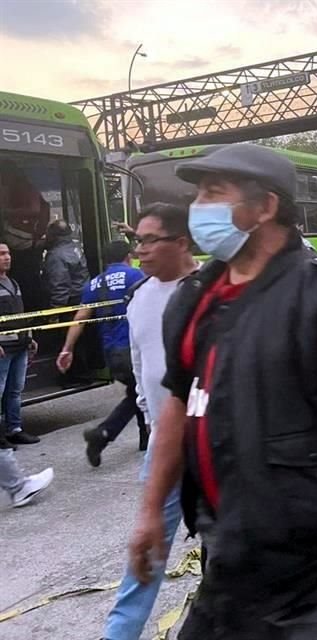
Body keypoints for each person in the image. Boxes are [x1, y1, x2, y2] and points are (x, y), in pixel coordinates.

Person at [129, 144, 317, 638]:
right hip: (230, 549)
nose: (199, 207)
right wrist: (149, 512)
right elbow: (177, 408)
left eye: (214, 193)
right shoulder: (195, 298)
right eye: (199, 193)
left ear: (265, 207)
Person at [101, 203, 199, 640]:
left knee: (238, 553)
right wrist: (154, 423)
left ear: (181, 243)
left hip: (218, 447)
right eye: (136, 241)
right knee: (145, 554)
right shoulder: (139, 298)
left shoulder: (211, 293)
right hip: (166, 448)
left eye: (148, 240)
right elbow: (143, 374)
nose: (138, 250)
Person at [57, 241, 148, 467]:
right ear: (128, 256)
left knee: (136, 391)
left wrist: (67, 348)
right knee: (141, 392)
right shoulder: (135, 275)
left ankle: (141, 439)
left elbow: (80, 318)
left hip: (111, 352)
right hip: (132, 348)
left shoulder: (94, 283)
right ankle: (103, 434)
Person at [0, 243, 39, 446]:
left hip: (20, 345)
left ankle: (14, 429)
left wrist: (29, 337)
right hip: (3, 348)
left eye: (8, 253)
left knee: (15, 390)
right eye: (1, 254)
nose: (7, 257)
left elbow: (20, 314)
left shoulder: (13, 283)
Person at [42, 219, 89, 307]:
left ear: (52, 236)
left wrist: (55, 312)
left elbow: (60, 286)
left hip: (70, 303)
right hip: (84, 297)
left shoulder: (56, 256)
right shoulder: (75, 247)